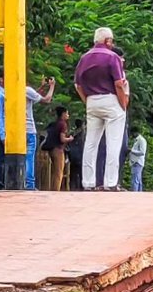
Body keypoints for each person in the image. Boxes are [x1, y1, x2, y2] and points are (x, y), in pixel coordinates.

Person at [74, 27, 128, 191]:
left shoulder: (84, 58)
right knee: (114, 142)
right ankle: (110, 182)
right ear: (108, 41)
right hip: (111, 99)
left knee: (91, 142)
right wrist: (122, 104)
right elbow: (119, 84)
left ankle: (88, 182)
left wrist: (87, 100)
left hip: (91, 100)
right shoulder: (113, 57)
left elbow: (77, 85)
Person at [23, 76, 55, 190]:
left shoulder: (11, 90)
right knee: (29, 158)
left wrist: (41, 87)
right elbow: (46, 100)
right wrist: (52, 87)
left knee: (18, 158)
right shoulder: (26, 89)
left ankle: (20, 183)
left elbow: (32, 97)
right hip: (29, 129)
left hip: (17, 130)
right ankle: (29, 185)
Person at [41, 106, 72, 191]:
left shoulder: (55, 123)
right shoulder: (63, 124)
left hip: (51, 149)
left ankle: (53, 189)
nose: (68, 115)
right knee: (59, 172)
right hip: (58, 150)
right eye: (67, 113)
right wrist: (69, 139)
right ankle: (56, 191)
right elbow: (62, 139)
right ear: (63, 114)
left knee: (55, 171)